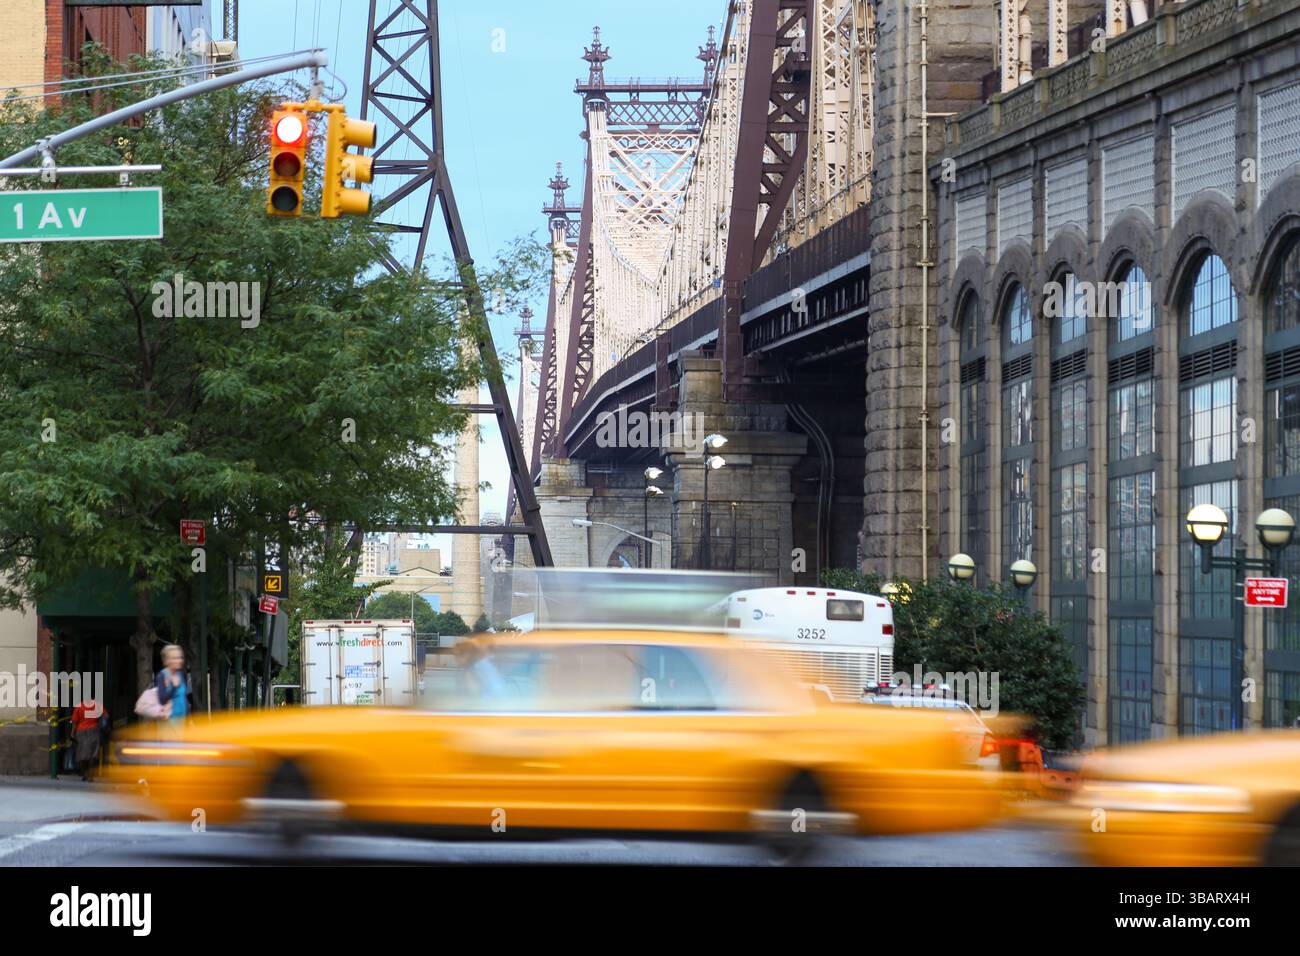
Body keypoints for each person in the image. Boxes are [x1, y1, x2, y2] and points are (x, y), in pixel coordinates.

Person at [155, 644, 192, 722]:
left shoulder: (180, 674)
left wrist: (189, 719)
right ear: (167, 660)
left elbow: (183, 697)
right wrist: (173, 686)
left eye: (180, 657)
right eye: (175, 658)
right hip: (168, 723)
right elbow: (162, 700)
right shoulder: (162, 675)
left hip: (181, 721)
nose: (179, 660)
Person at [70, 698, 105, 781]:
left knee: (82, 754)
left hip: (81, 732)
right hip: (94, 731)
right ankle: (90, 774)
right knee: (93, 754)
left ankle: (85, 773)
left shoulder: (79, 706)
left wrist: (72, 733)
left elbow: (75, 721)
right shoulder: (97, 705)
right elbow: (105, 716)